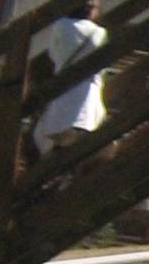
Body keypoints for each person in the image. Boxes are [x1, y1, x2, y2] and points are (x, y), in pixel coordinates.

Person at [32, 10, 108, 156]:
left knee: (58, 144)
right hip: (89, 94)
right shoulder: (100, 32)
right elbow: (103, 66)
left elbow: (53, 54)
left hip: (64, 90)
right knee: (85, 146)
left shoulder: (61, 25)